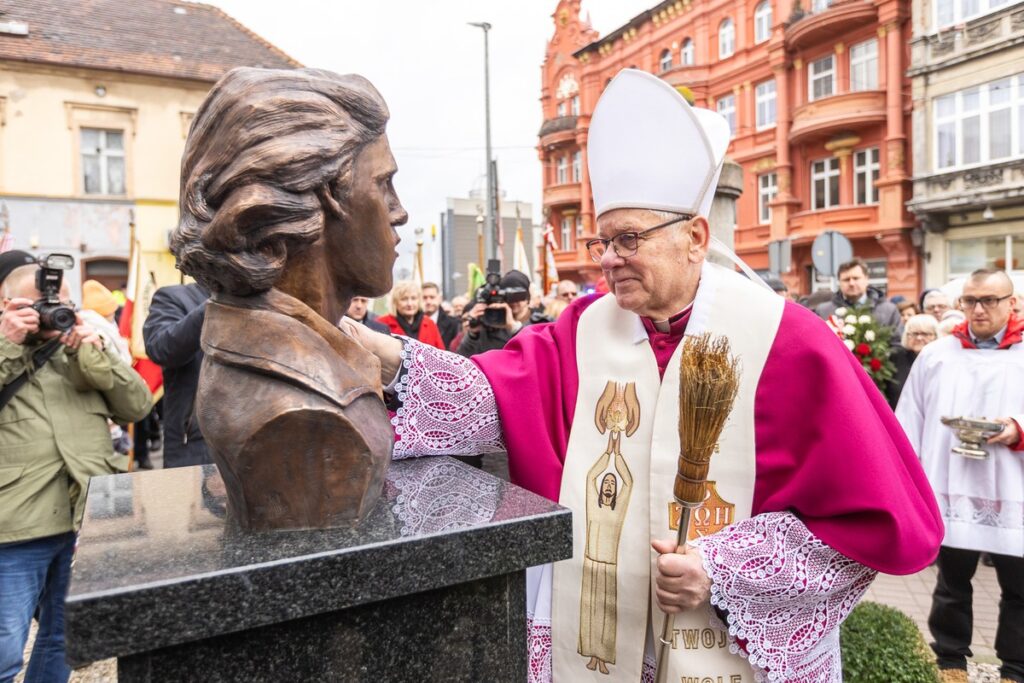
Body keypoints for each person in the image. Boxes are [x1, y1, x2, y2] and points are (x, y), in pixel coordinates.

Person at [345, 69, 942, 682]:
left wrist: (722, 568)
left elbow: (868, 522)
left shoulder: (787, 341)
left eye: (627, 238)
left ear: (695, 237)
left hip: (730, 644)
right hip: (600, 630)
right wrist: (369, 346)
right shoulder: (582, 329)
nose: (607, 258)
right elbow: (489, 398)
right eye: (603, 240)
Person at [170, 67, 403, 530]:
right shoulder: (299, 414)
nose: (399, 211)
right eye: (383, 184)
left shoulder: (273, 354)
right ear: (327, 195)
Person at [0, 262, 151, 683]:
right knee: (5, 647)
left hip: (88, 517)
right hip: (15, 526)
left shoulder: (81, 349)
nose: (54, 311)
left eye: (63, 302)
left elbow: (137, 406)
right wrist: (8, 342)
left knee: (64, 640)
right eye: (41, 304)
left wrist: (95, 353)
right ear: (6, 303)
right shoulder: (3, 344)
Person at [897, 269, 1023, 683]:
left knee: (1019, 589)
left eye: (989, 300)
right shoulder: (937, 355)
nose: (978, 309)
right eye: (970, 301)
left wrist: (1016, 430)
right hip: (950, 488)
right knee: (952, 583)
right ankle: (950, 660)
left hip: (1012, 489)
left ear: (1011, 303)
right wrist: (909, 484)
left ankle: (1015, 668)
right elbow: (910, 419)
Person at [143, 283, 211, 469]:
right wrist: (216, 303)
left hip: (257, 441)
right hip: (196, 444)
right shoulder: (174, 297)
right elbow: (161, 349)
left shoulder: (266, 300)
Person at [456, 270, 549, 357]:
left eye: (518, 295)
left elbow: (543, 353)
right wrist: (472, 334)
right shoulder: (491, 325)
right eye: (509, 296)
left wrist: (515, 328)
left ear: (527, 297)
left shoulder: (542, 324)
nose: (514, 301)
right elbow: (465, 359)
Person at [815, 258, 902, 336]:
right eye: (846, 279)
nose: (851, 283)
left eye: (856, 278)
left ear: (866, 279)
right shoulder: (824, 311)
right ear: (839, 282)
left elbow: (898, 345)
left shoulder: (889, 310)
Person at [884, 313, 937, 409]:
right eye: (914, 334)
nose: (919, 338)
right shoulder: (895, 357)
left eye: (925, 334)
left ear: (936, 336)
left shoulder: (940, 359)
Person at [378, 281, 445, 350]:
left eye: (413, 298)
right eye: (404, 299)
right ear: (395, 302)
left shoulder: (429, 323)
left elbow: (441, 354)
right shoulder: (381, 323)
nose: (409, 304)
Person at [422, 281, 459, 348]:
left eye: (432, 297)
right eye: (424, 298)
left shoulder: (454, 324)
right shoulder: (413, 324)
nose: (428, 302)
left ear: (440, 299)